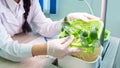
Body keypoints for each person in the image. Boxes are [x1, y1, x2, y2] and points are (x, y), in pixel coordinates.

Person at [0, 0, 100, 62]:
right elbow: (8, 49)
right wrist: (46, 49)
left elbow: (44, 27)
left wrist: (66, 21)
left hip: (20, 43)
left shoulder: (31, 1)